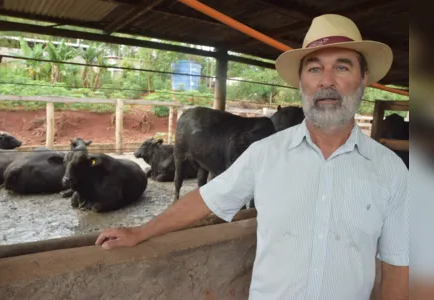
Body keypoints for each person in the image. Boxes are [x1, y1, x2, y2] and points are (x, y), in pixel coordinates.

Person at [95, 14, 409, 300]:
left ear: (363, 78)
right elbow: (206, 199)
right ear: (302, 82)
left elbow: (397, 267)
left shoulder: (391, 170)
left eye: (342, 67)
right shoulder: (265, 153)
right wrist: (140, 232)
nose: (326, 80)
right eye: (315, 68)